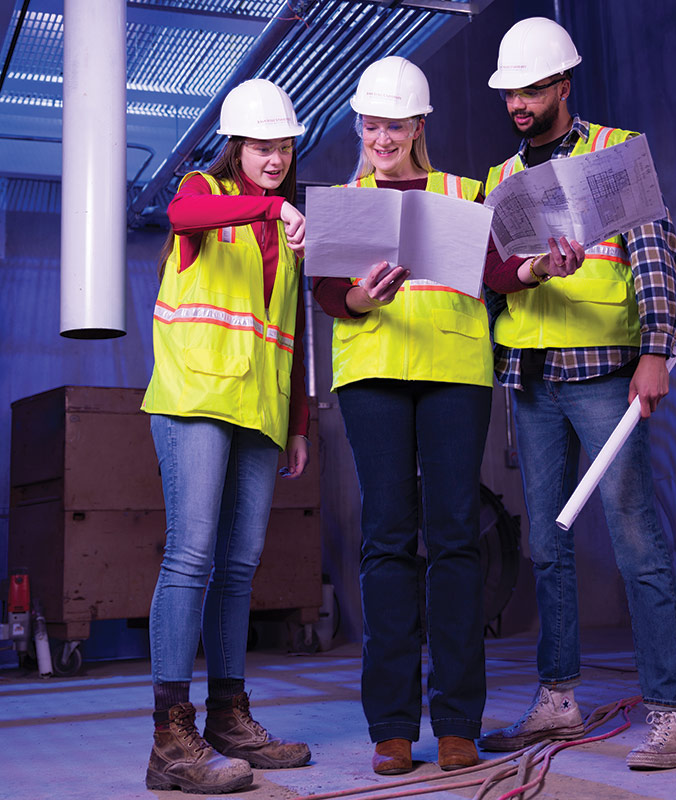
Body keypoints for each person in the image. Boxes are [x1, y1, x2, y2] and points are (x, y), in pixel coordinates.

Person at [478, 18, 676, 770]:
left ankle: (670, 715)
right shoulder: (499, 178)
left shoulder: (612, 152)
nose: (519, 103)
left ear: (563, 85)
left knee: (638, 540)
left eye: (533, 88)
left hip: (608, 368)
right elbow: (492, 276)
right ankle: (559, 699)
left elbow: (654, 254)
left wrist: (657, 350)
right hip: (533, 380)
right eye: (511, 91)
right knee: (546, 546)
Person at [313, 56, 492, 776]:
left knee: (454, 537)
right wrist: (362, 299)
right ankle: (391, 725)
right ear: (360, 124)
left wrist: (540, 267)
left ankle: (456, 721)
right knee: (387, 537)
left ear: (420, 125)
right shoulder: (345, 197)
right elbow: (328, 293)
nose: (381, 137)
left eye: (395, 124)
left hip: (453, 371)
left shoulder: (463, 192)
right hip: (373, 375)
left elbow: (501, 270)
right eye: (371, 123)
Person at [141, 79, 312, 794]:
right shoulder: (203, 191)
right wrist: (272, 203)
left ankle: (228, 715)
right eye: (262, 146)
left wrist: (299, 424)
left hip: (260, 412)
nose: (274, 158)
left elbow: (294, 334)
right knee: (192, 555)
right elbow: (181, 214)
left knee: (239, 565)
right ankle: (169, 737)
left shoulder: (289, 231)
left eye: (284, 147)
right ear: (237, 145)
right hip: (196, 397)